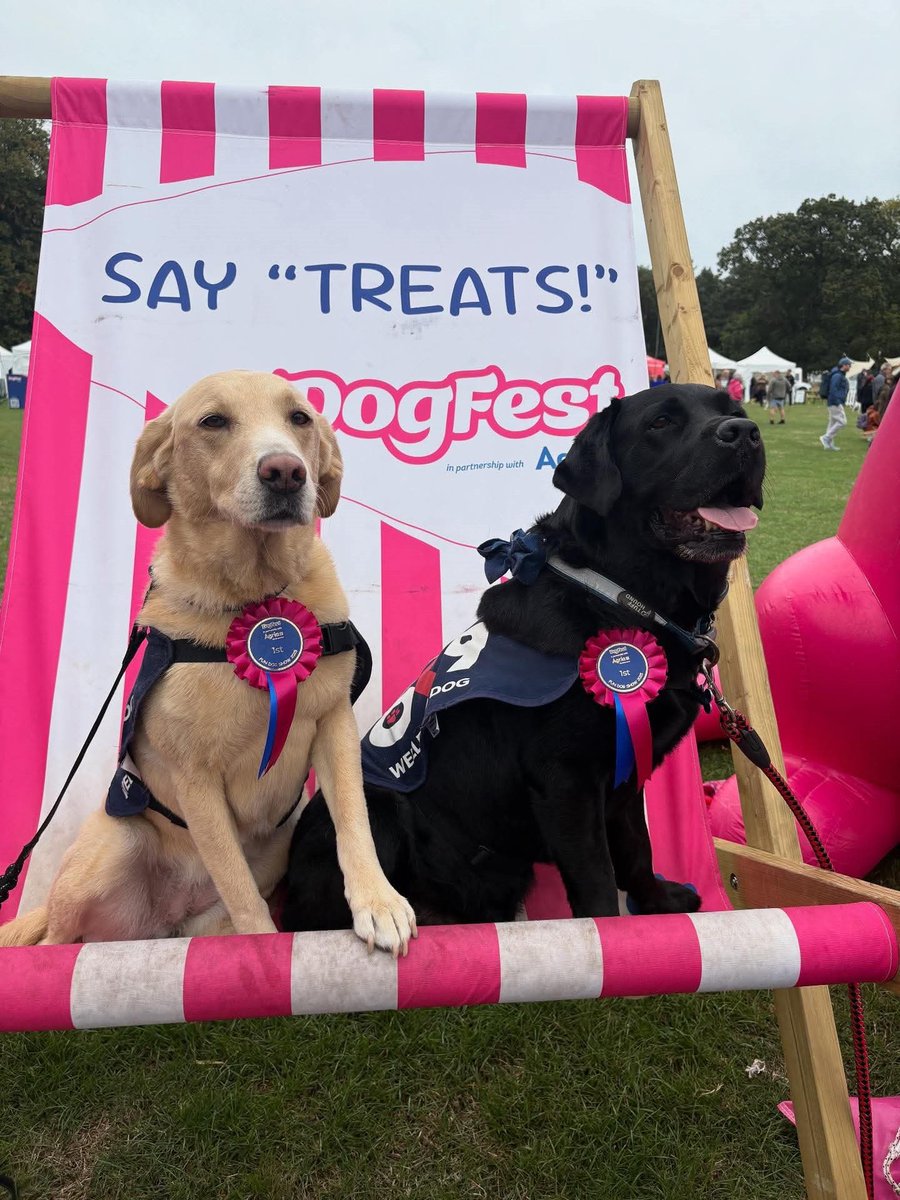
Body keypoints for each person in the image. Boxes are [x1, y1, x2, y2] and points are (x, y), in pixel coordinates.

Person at [820, 356, 852, 450]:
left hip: (834, 401)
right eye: (848, 365)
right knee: (842, 422)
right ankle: (826, 438)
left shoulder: (839, 375)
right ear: (843, 365)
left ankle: (829, 444)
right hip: (835, 402)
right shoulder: (838, 376)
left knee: (832, 422)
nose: (850, 367)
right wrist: (838, 401)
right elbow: (833, 390)